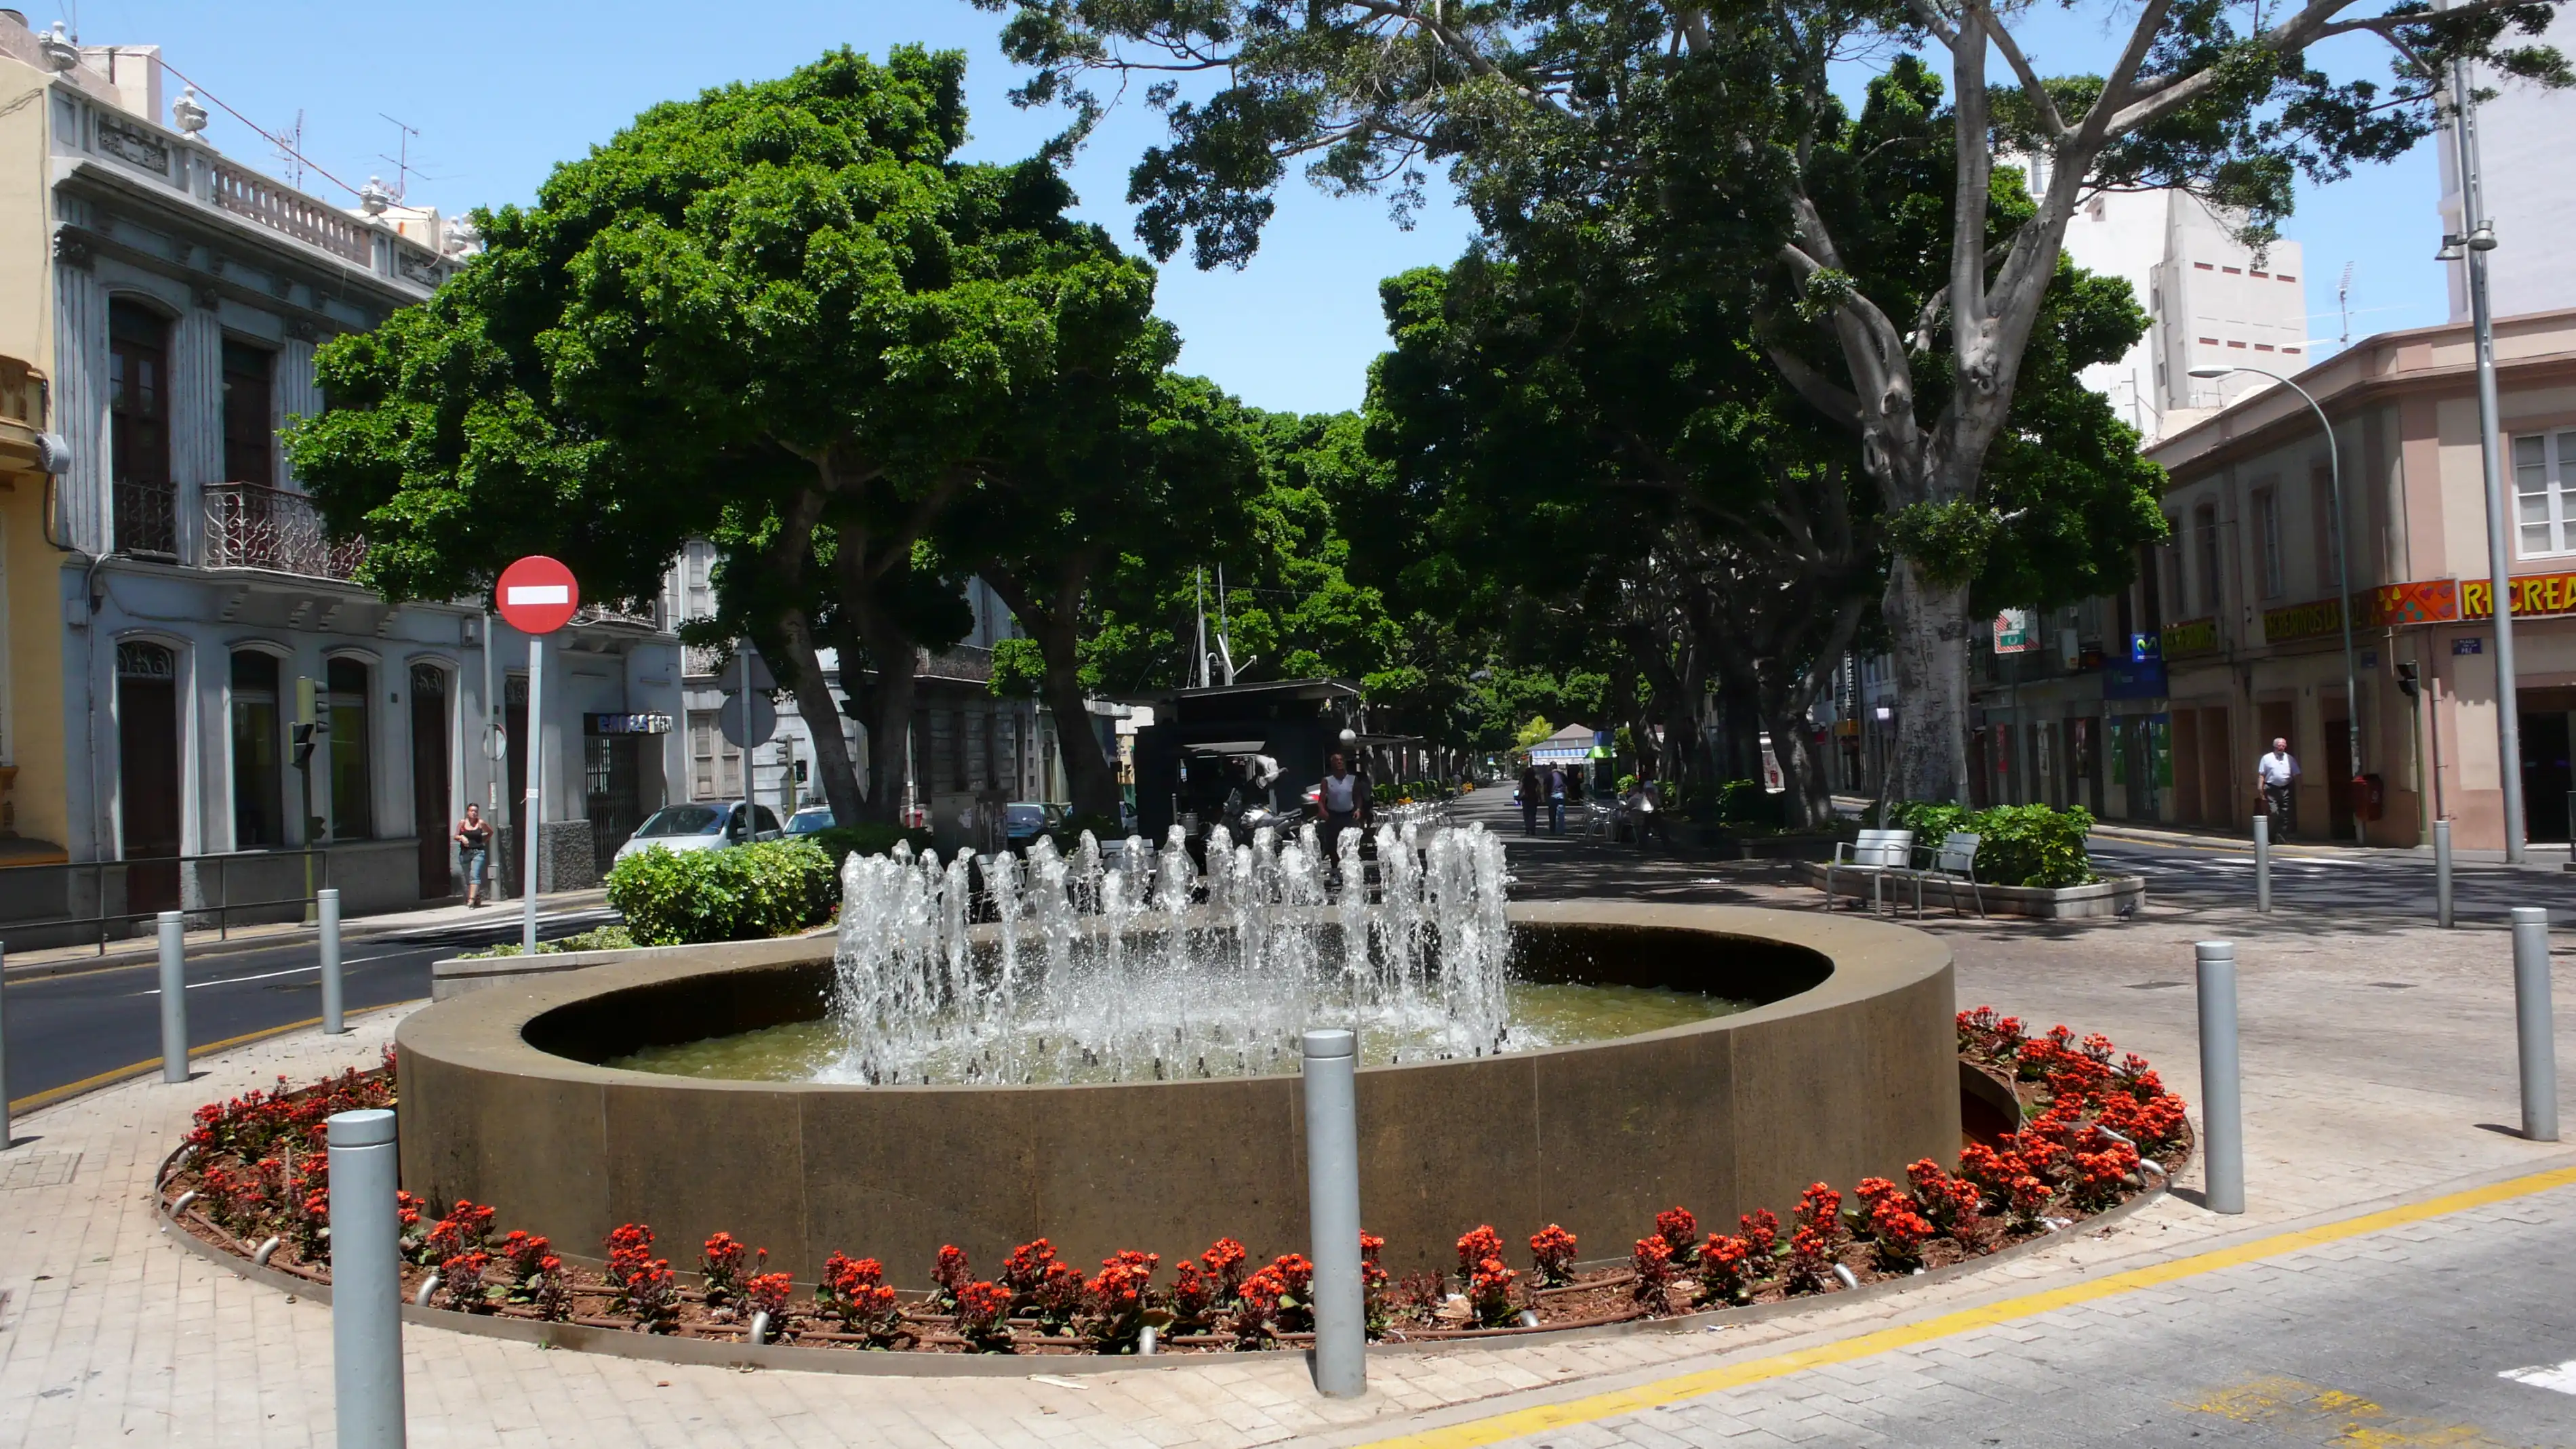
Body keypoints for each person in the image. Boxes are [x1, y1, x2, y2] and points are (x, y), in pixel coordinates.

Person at [1319, 752, 1372, 867]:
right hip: (1333, 816)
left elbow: (1357, 796)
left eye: (1341, 760)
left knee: (1351, 843)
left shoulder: (1352, 779)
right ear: (1332, 763)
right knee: (1333, 845)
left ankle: (1351, 868)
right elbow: (1321, 799)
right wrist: (1322, 810)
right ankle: (1335, 870)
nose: (1339, 762)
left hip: (1349, 816)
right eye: (1336, 760)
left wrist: (1358, 809)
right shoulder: (1327, 781)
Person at [2257, 737, 2300, 840]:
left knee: (2286, 814)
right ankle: (2272, 835)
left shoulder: (2290, 759)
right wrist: (2260, 788)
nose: (2281, 748)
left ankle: (2281, 837)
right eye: (2279, 745)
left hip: (2286, 788)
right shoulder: (2267, 758)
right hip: (2271, 788)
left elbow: (2296, 774)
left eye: (2283, 746)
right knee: (2274, 813)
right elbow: (2262, 774)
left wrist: (2299, 788)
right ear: (2275, 746)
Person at [454, 802, 492, 907]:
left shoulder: (480, 823)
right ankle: (477, 896)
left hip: (478, 852)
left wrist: (483, 841)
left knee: (474, 875)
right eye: (472, 811)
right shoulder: (462, 823)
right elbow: (456, 836)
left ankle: (471, 900)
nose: (474, 813)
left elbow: (490, 832)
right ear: (468, 812)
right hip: (465, 853)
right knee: (467, 878)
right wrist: (462, 838)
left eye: (476, 811)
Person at [1519, 762, 1541, 836]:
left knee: (1526, 815)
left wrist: (1519, 796)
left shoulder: (1524, 780)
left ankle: (1527, 828)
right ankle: (1533, 829)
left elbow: (1521, 789)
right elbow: (1539, 790)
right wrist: (1540, 798)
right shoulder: (1536, 781)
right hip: (1534, 798)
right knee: (1533, 815)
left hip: (1526, 798)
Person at [1546, 762, 1568, 835]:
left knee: (1552, 813)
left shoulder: (1549, 775)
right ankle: (1560, 830)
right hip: (1561, 794)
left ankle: (1552, 830)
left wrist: (1545, 796)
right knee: (1560, 814)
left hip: (1552, 794)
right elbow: (1567, 783)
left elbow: (1545, 786)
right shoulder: (1562, 774)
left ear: (1551, 767)